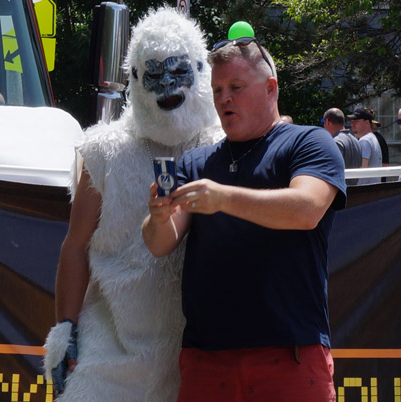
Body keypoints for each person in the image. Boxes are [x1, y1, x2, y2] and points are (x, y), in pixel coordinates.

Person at [142, 33, 346, 402]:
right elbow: (160, 244)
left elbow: (307, 209)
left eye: (235, 86)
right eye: (217, 89)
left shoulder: (309, 142)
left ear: (270, 88)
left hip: (291, 354)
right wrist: (157, 218)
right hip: (207, 358)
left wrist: (223, 198)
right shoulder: (196, 161)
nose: (224, 99)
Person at [43, 8, 222, 402]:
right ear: (136, 78)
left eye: (178, 73)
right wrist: (65, 329)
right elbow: (76, 244)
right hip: (109, 345)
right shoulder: (103, 151)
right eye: (154, 75)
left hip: (196, 352)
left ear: (198, 68)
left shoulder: (222, 146)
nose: (167, 88)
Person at [322, 108, 361, 184]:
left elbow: (331, 171)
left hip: (340, 191)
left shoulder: (335, 142)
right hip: (355, 191)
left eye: (323, 122)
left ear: (327, 121)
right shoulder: (356, 141)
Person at [348, 108, 382, 184]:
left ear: (367, 123)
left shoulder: (364, 141)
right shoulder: (372, 137)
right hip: (372, 188)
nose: (352, 124)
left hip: (364, 190)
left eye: (356, 121)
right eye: (352, 121)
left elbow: (362, 168)